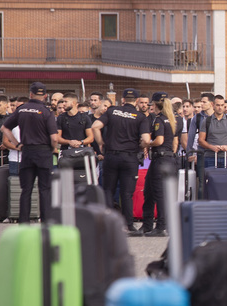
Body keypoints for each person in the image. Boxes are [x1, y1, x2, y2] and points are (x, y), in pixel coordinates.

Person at [0, 82, 60, 224]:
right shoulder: (47, 112)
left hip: (27, 152)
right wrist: (52, 148)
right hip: (44, 152)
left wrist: (17, 144)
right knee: (44, 190)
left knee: (26, 189)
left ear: (30, 94)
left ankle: (24, 222)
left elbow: (4, 128)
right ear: (45, 96)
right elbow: (54, 138)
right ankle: (46, 222)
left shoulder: (21, 109)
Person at [90, 87, 145, 233]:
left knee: (108, 190)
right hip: (129, 157)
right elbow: (145, 139)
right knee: (127, 193)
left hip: (111, 156)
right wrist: (141, 146)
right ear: (137, 101)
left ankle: (108, 224)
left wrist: (101, 143)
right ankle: (129, 224)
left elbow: (95, 126)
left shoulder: (112, 111)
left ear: (123, 99)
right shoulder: (140, 116)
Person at [138, 93, 178, 237]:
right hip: (166, 159)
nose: (151, 108)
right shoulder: (171, 119)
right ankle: (147, 225)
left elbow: (159, 140)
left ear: (155, 105)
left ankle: (161, 226)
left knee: (158, 194)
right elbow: (174, 142)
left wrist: (147, 143)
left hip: (160, 160)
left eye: (152, 105)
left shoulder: (159, 120)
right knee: (149, 191)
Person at [199, 94, 227, 173]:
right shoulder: (207, 121)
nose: (220, 108)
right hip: (210, 157)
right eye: (218, 105)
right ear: (213, 105)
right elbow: (201, 140)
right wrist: (211, 147)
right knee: (210, 182)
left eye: (222, 105)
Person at [56, 93, 94, 157]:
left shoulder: (85, 117)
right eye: (63, 102)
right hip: (66, 153)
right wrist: (69, 142)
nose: (63, 104)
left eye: (66, 102)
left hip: (82, 153)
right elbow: (57, 137)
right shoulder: (61, 118)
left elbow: (91, 137)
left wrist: (80, 142)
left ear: (73, 103)